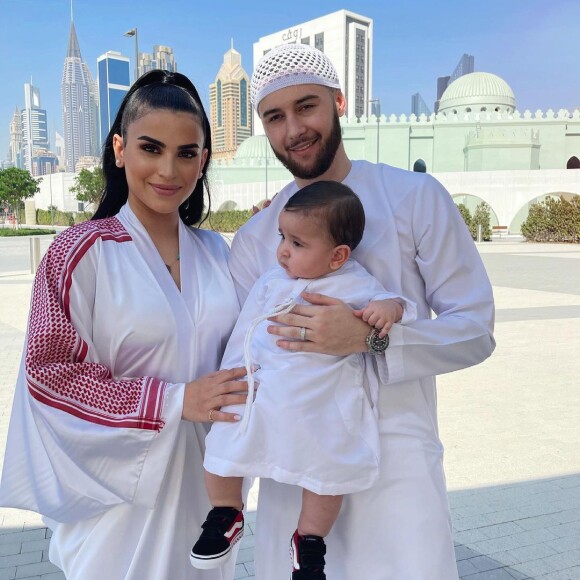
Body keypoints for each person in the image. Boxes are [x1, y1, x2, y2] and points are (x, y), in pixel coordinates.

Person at [228, 43, 496, 579]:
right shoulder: (257, 239)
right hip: (293, 475)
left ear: (339, 102)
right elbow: (243, 368)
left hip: (397, 470)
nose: (293, 130)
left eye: (307, 107)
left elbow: (475, 330)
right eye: (274, 117)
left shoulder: (414, 197)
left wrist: (368, 338)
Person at [0, 70, 248, 580]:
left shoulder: (219, 253)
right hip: (118, 510)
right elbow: (49, 376)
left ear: (203, 161)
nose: (168, 169)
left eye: (186, 153)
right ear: (119, 149)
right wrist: (177, 400)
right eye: (150, 148)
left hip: (209, 496)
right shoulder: (78, 254)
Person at [190, 181, 415, 577]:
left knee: (329, 474)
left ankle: (309, 542)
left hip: (321, 401)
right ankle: (226, 512)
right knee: (221, 448)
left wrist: (387, 308)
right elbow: (245, 328)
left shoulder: (355, 282)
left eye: (297, 243)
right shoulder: (270, 281)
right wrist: (231, 375)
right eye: (282, 237)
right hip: (261, 391)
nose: (282, 251)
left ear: (337, 256)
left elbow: (399, 303)